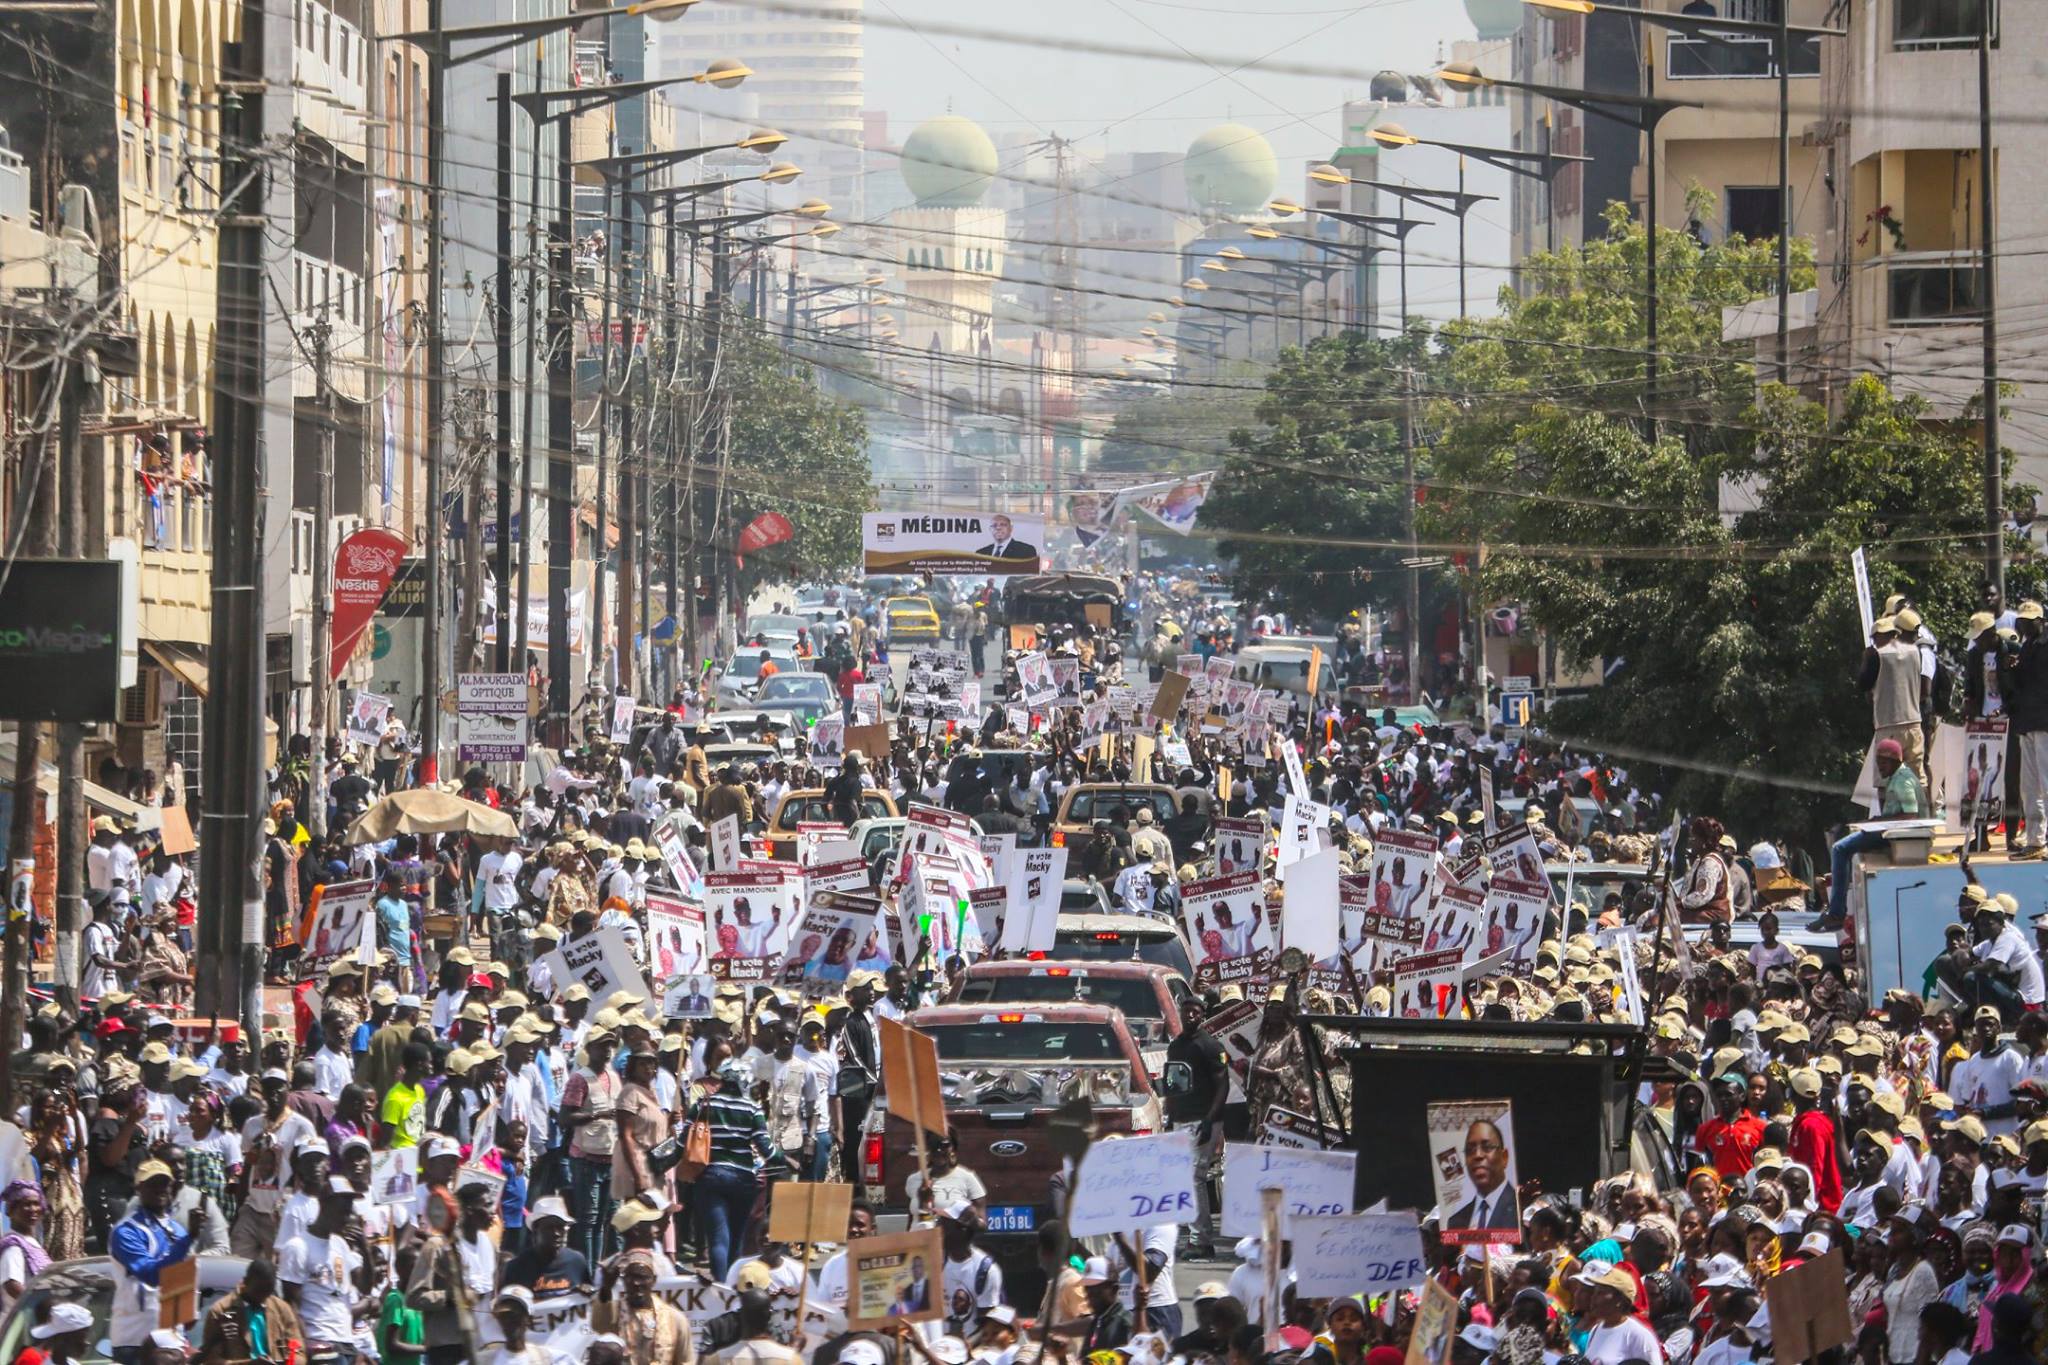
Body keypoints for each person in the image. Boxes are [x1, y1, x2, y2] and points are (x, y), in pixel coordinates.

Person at [690, 1059, 779, 1282]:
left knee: (718, 1238)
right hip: (743, 1180)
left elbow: (685, 1135)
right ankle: (734, 1284)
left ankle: (721, 1288)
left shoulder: (704, 1103)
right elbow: (765, 1147)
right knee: (737, 1237)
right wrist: (784, 1160)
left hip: (711, 1177)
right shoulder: (751, 1107)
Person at [1822, 737, 1925, 926]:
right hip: (1888, 830)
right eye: (1878, 763)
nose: (1880, 767)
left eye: (1883, 763)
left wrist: (1880, 821)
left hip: (1895, 835)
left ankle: (1836, 912)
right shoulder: (1898, 777)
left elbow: (1911, 815)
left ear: (1895, 761)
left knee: (1839, 849)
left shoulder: (1902, 781)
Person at [109, 1160, 198, 1363]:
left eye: (164, 1183)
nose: (160, 1189)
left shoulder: (179, 1231)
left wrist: (184, 1321)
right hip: (134, 1340)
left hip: (171, 1340)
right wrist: (187, 1240)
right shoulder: (126, 1231)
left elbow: (183, 1281)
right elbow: (151, 1275)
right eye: (152, 1184)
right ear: (139, 1188)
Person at [1444, 1119, 1517, 1230]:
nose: (1478, 1155)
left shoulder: (1519, 1210)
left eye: (1487, 1147)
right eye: (1470, 1150)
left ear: (1504, 1157)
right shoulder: (1456, 1222)